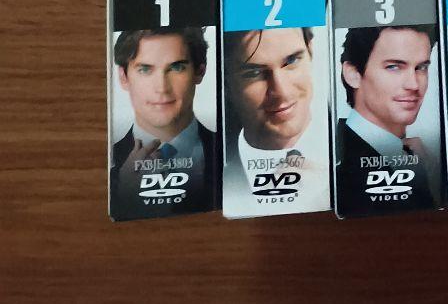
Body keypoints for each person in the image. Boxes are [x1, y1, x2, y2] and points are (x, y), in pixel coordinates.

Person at [110, 27, 219, 219]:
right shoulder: (106, 168)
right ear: (123, 77)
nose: (161, 88)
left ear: (200, 71)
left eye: (176, 68)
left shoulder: (231, 153)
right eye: (145, 69)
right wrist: (124, 196)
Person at [222, 26, 328, 212]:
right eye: (254, 73)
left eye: (291, 61)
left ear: (311, 50)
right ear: (226, 83)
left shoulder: (356, 150)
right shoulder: (208, 171)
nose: (282, 92)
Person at [335, 24, 439, 214]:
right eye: (393, 67)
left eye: (421, 67)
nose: (414, 84)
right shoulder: (335, 168)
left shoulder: (424, 161)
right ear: (353, 74)